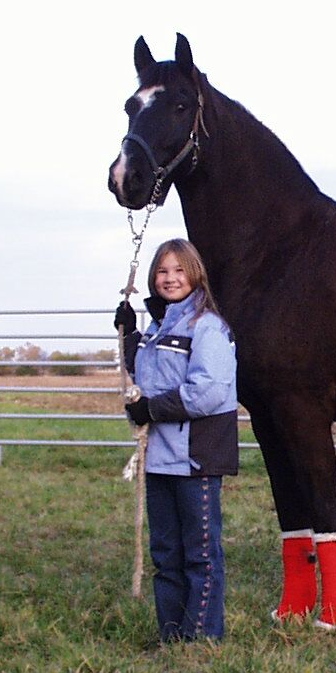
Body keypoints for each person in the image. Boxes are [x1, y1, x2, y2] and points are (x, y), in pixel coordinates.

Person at [113, 238, 238, 642]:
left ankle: (201, 640)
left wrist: (152, 409)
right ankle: (171, 636)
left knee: (200, 554)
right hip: (159, 459)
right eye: (163, 272)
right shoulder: (156, 329)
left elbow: (209, 391)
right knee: (166, 555)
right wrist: (129, 335)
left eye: (179, 271)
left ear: (195, 274)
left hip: (195, 457)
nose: (170, 279)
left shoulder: (208, 327)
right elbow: (146, 376)